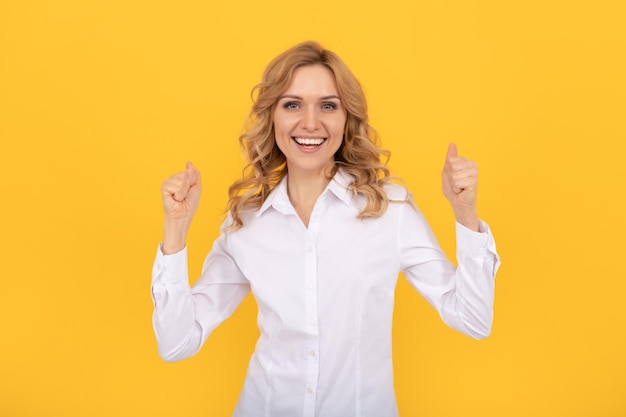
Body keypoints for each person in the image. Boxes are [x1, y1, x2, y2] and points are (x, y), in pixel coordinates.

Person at [151, 41, 500, 417]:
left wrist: (465, 212)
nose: (311, 122)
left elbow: (473, 319)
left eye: (328, 105)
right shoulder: (247, 223)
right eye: (292, 104)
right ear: (272, 117)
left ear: (347, 118)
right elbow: (176, 343)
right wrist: (176, 230)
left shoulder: (389, 210)